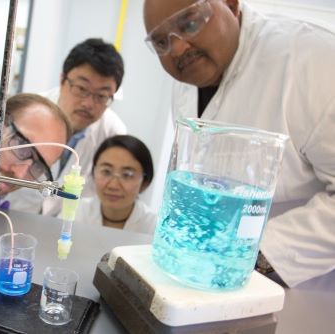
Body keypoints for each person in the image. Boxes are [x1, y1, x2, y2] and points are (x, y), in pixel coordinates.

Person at [143, 0, 335, 287]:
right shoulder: (189, 76)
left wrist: (256, 256)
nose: (178, 48)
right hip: (202, 275)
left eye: (190, 23)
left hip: (296, 284)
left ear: (231, 5)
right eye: (161, 42)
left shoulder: (314, 60)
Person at [5, 38, 127, 216]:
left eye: (102, 96)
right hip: (11, 215)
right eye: (81, 88)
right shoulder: (27, 113)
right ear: (62, 80)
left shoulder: (113, 134)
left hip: (65, 227)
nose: (88, 103)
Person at [74, 135, 156, 235]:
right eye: (106, 171)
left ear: (145, 182)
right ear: (93, 173)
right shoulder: (76, 211)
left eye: (127, 175)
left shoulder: (154, 227)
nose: (113, 185)